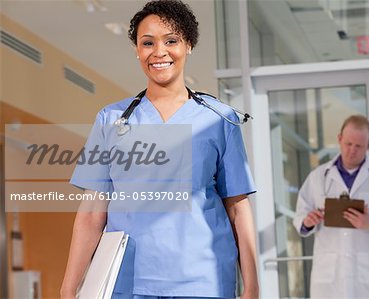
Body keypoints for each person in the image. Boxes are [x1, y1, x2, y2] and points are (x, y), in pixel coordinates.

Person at [60, 1, 259, 298]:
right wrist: (68, 288)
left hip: (203, 280)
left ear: (188, 45)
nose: (159, 52)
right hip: (129, 280)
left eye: (171, 41)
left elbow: (238, 209)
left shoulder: (220, 119)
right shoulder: (110, 120)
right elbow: (91, 212)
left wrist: (252, 286)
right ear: (137, 50)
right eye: (147, 43)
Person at [293, 115, 369, 299]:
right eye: (348, 144)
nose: (352, 151)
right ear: (340, 139)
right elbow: (300, 214)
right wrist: (308, 221)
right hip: (330, 279)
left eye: (359, 146)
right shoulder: (318, 177)